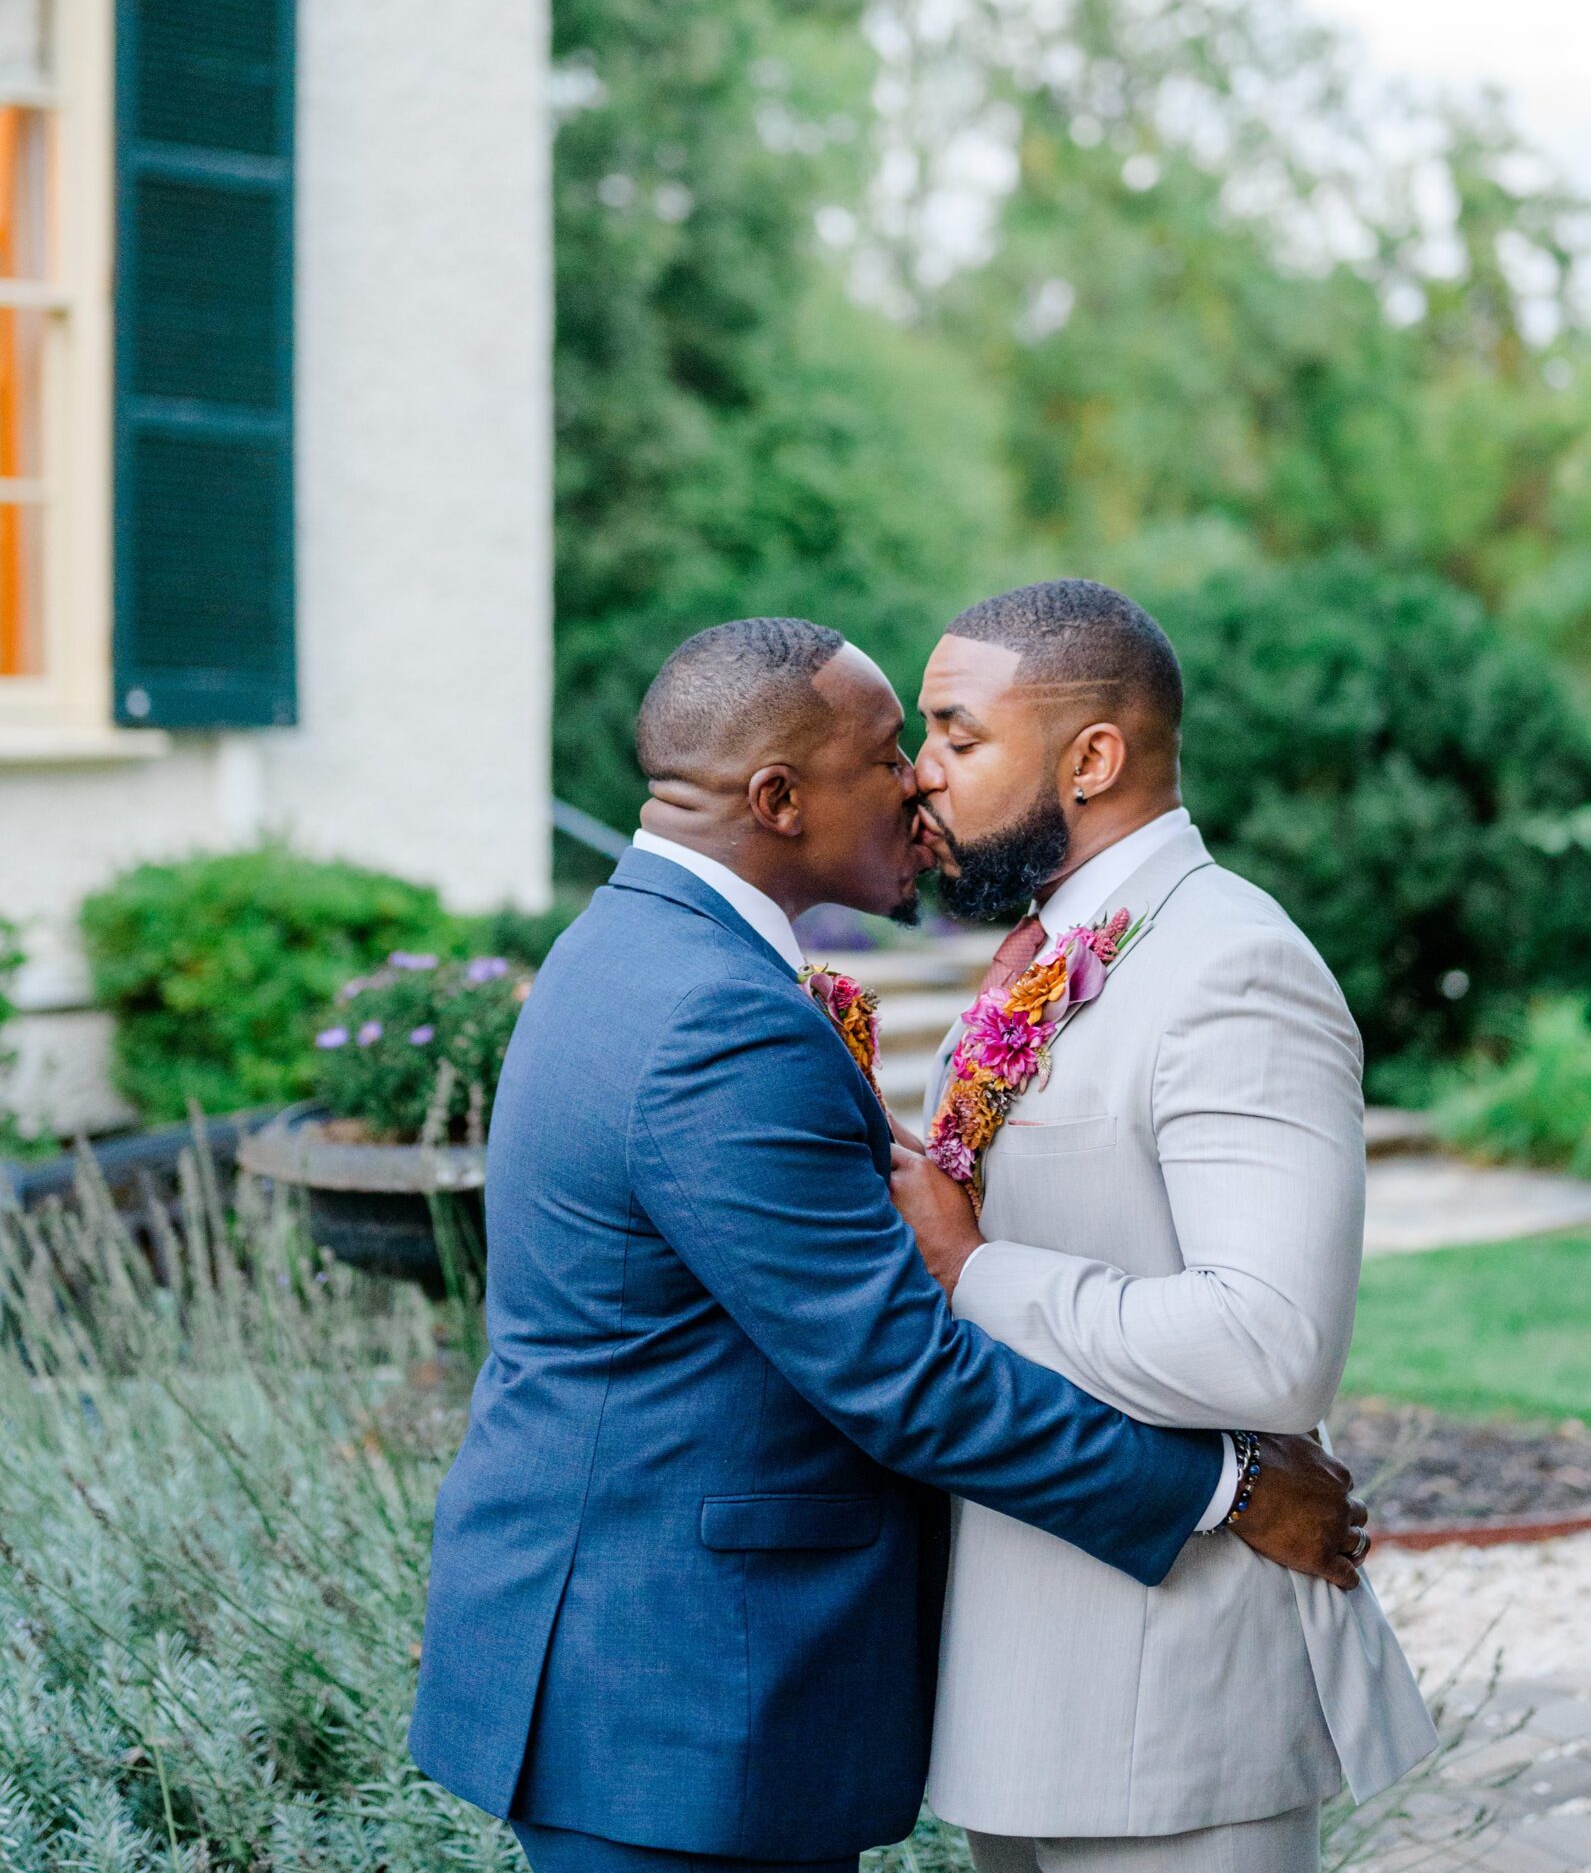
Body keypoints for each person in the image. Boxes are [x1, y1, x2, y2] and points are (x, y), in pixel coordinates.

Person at [409, 617, 1368, 1873]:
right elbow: (900, 1376)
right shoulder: (717, 1016)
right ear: (776, 799)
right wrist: (1224, 1487)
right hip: (678, 1691)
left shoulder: (626, 949)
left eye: (943, 740)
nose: (916, 777)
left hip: (652, 1670)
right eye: (889, 753)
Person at [894, 579, 1438, 1873]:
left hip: (1172, 1694)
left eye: (956, 739)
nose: (917, 776)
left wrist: (969, 1269)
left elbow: (1268, 1343)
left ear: (1091, 757)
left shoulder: (1226, 965)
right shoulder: (1042, 952)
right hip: (1013, 1677)